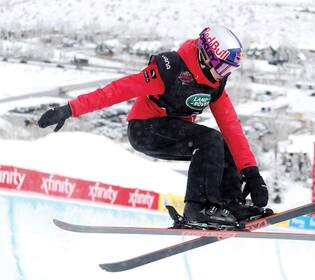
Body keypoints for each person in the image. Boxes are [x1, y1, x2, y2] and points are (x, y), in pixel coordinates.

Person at [37, 25, 269, 225]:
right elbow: (117, 90)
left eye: (229, 70)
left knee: (223, 145)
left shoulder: (214, 85)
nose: (223, 75)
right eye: (222, 67)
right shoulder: (169, 70)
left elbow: (232, 127)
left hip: (174, 130)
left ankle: (231, 204)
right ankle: (198, 208)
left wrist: (251, 173)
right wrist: (70, 109)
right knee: (209, 140)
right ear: (206, 56)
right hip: (145, 129)